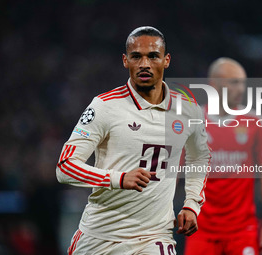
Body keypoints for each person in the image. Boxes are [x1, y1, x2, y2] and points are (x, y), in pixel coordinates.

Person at [56, 26, 211, 255]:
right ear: (125, 61)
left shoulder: (187, 109)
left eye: (153, 56)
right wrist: (118, 178)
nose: (145, 64)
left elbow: (200, 157)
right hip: (102, 237)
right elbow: (65, 167)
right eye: (136, 56)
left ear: (166, 60)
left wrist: (192, 203)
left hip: (155, 236)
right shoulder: (105, 106)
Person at [184, 58, 262, 255]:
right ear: (213, 86)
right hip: (200, 230)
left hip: (242, 230)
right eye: (234, 82)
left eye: (243, 82)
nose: (241, 88)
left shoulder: (254, 122)